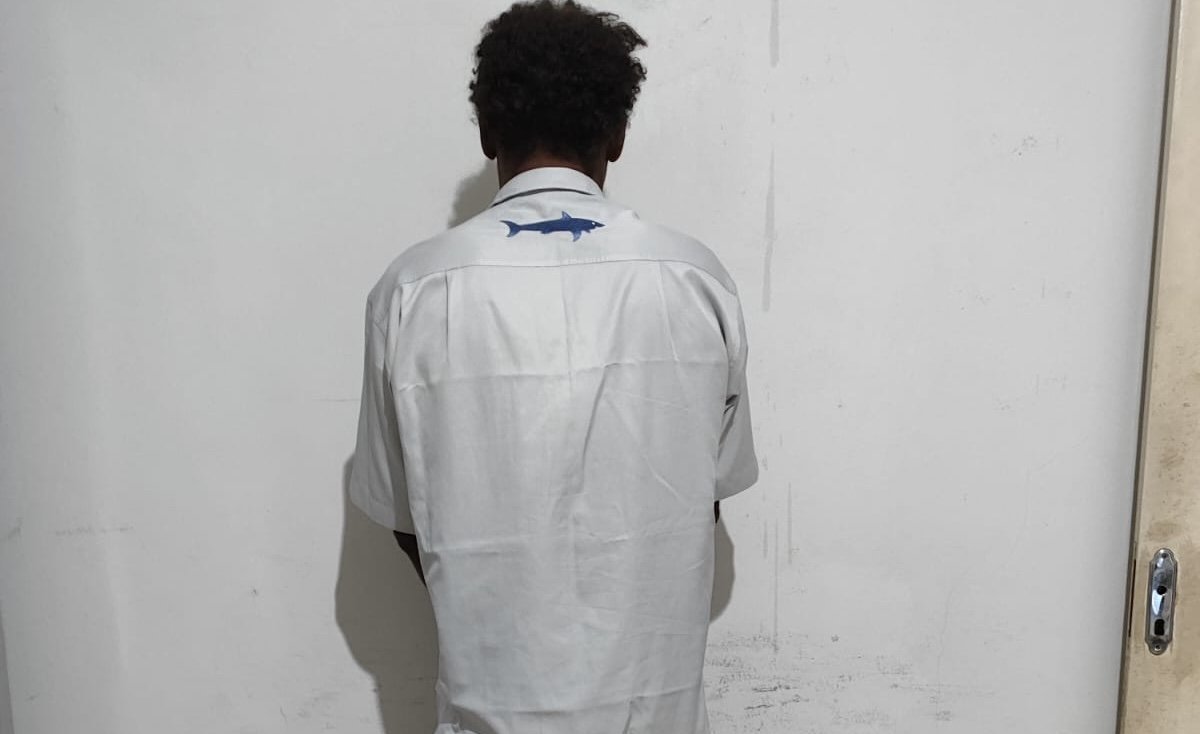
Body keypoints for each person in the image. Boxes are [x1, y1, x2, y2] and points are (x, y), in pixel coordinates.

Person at [349, 2, 758, 731]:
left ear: (486, 131)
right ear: (618, 134)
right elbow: (706, 495)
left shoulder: (412, 290)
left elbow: (409, 522)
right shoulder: (697, 280)